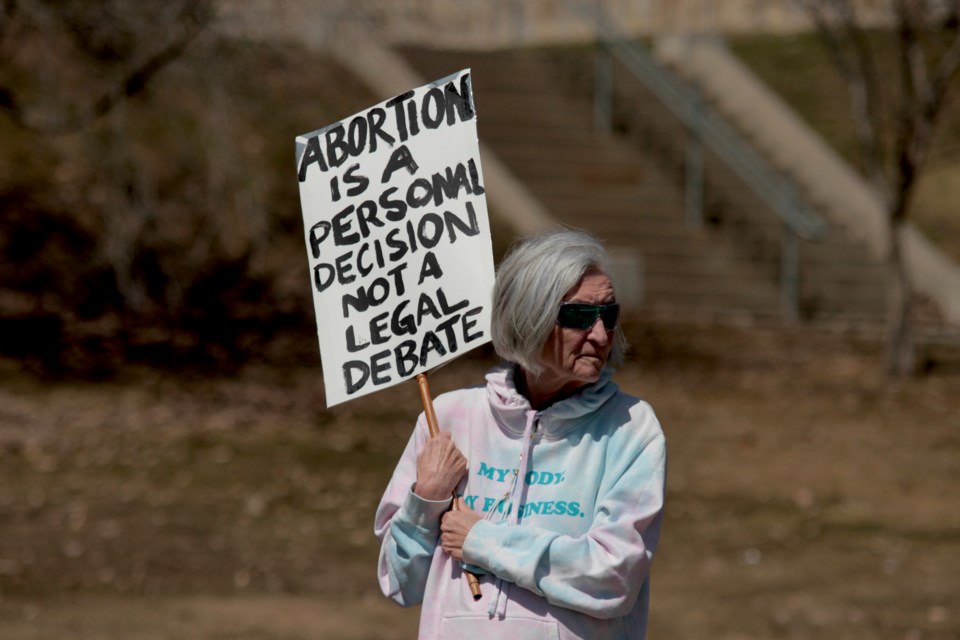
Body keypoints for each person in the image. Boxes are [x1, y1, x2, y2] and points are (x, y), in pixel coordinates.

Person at [374, 229, 667, 639]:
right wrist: (426, 500)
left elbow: (613, 576)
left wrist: (484, 542)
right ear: (530, 315)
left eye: (609, 314)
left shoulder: (631, 427)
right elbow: (398, 582)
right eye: (580, 316)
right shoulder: (449, 417)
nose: (601, 335)